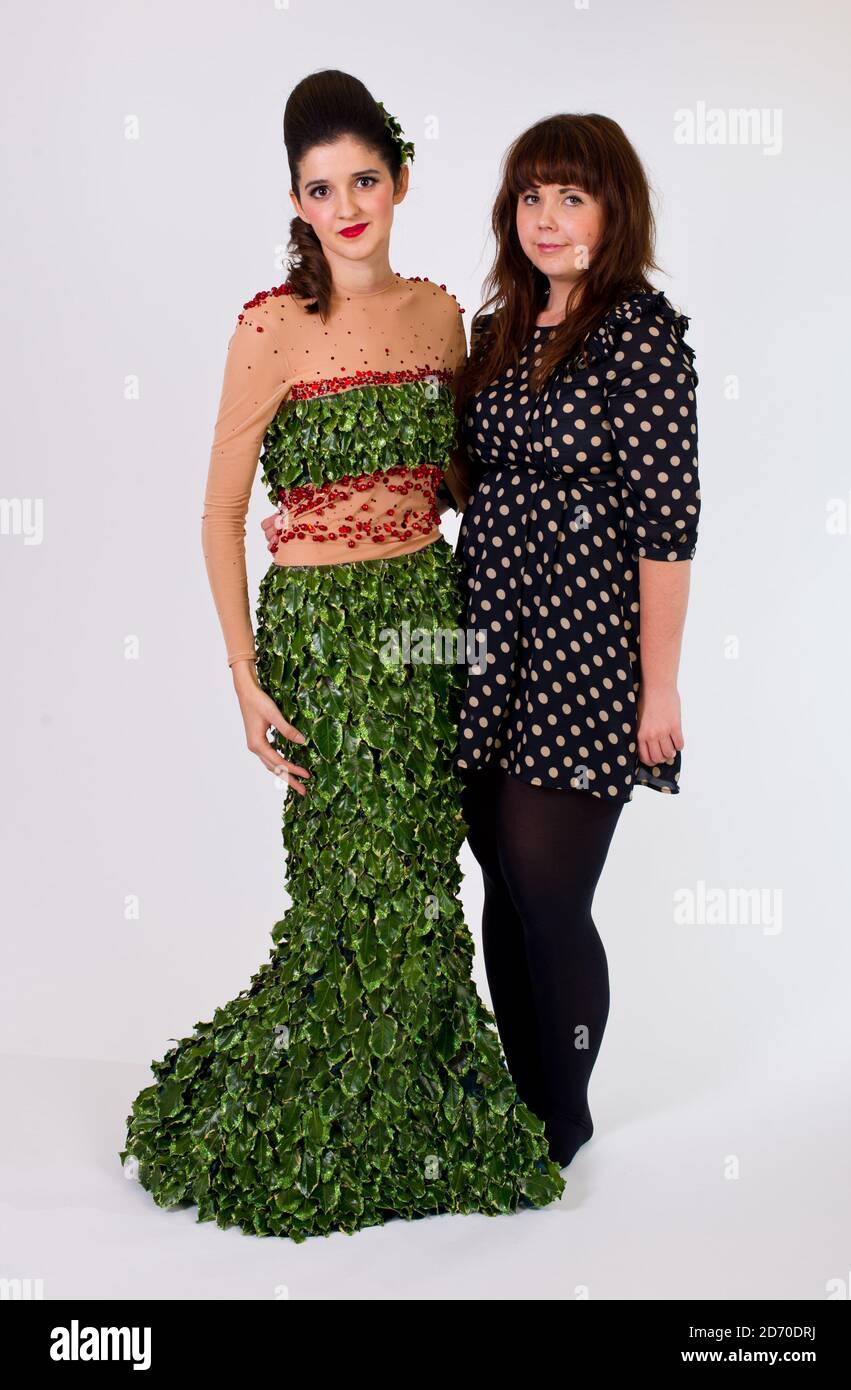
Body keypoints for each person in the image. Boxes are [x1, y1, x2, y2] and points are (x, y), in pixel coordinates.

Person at [118, 71, 565, 1242]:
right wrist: (243, 677)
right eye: (323, 187)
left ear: (400, 178)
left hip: (429, 620)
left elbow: (463, 485)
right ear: (296, 201)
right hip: (319, 640)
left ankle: (424, 1101)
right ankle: (329, 1105)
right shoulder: (268, 327)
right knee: (341, 885)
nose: (348, 202)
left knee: (424, 877)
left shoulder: (436, 317)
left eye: (364, 178)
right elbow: (217, 516)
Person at [451, 112, 701, 1167]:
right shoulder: (497, 330)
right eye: (529, 196)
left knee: (549, 883)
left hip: (584, 643)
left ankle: (564, 1116)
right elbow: (464, 485)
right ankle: (522, 1095)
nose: (546, 218)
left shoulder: (637, 333)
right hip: (485, 631)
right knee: (498, 873)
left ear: (611, 211)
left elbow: (667, 525)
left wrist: (660, 690)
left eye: (570, 196)